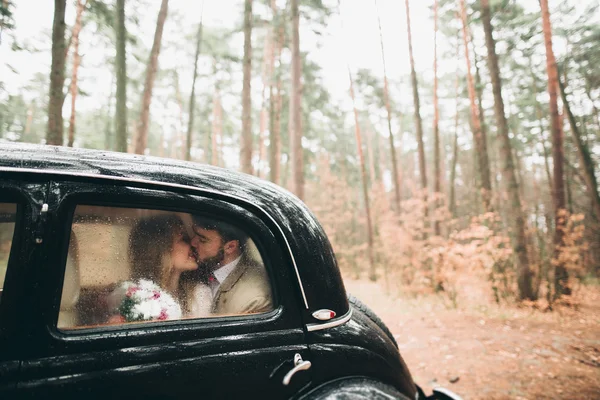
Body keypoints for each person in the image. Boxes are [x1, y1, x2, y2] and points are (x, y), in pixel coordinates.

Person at [109, 214, 206, 319]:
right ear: (162, 249)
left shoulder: (198, 294)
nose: (192, 244)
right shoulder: (131, 296)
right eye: (184, 239)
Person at [187, 216, 273, 316]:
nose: (193, 242)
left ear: (230, 247)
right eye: (194, 234)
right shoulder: (200, 266)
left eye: (202, 240)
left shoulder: (253, 299)